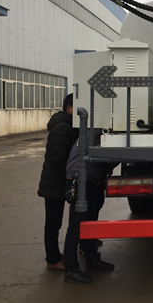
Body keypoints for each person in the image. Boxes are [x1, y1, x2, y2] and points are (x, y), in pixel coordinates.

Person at [62, 136, 116, 284]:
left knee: (88, 223)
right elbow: (108, 157)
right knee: (76, 226)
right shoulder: (97, 134)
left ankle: (92, 260)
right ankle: (71, 269)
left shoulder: (91, 132)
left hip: (87, 178)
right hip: (80, 180)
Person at [37, 93, 78, 271]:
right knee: (53, 223)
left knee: (54, 221)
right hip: (54, 183)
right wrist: (69, 178)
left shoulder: (65, 125)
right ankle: (53, 259)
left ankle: (54, 255)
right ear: (69, 108)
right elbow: (59, 159)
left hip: (54, 181)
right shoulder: (63, 128)